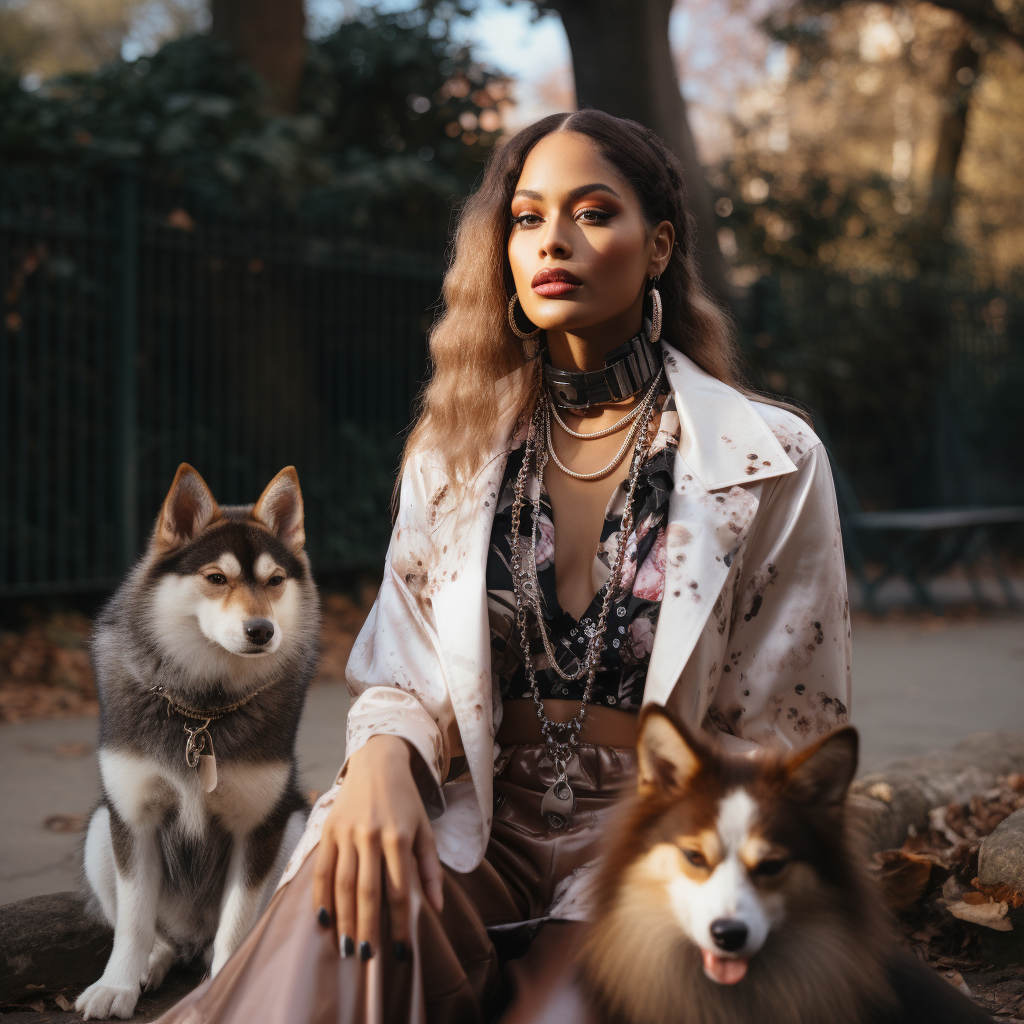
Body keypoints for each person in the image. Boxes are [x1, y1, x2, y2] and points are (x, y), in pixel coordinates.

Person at [156, 110, 850, 1024]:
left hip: (659, 834)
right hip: (469, 808)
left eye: (594, 212)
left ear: (659, 247)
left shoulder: (770, 456)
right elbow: (403, 670)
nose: (552, 240)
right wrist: (379, 763)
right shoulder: (451, 451)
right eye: (526, 217)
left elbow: (782, 723)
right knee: (337, 936)